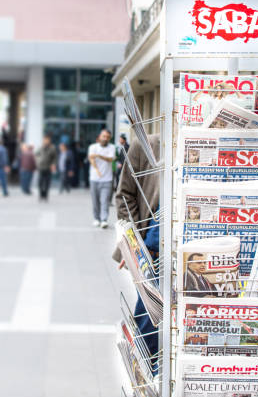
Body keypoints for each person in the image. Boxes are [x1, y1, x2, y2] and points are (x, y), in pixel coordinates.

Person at [112, 133, 160, 372]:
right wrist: (134, 245)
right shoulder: (146, 145)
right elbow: (124, 195)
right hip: (152, 252)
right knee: (151, 321)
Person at [88, 129, 116, 228]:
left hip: (107, 180)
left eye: (108, 137)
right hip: (94, 179)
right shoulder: (93, 147)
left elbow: (110, 159)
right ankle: (96, 218)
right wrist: (96, 169)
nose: (105, 138)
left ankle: (104, 219)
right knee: (95, 201)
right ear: (100, 136)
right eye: (104, 136)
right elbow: (91, 158)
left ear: (110, 138)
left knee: (105, 201)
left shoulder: (112, 147)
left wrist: (99, 155)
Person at [36, 135, 57, 202]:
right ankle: (41, 195)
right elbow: (36, 155)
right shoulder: (40, 147)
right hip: (41, 168)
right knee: (40, 183)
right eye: (45, 140)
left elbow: (55, 158)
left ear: (49, 140)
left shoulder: (52, 148)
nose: (46, 141)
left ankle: (46, 196)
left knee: (47, 183)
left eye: (47, 140)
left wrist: (53, 164)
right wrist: (38, 161)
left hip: (48, 167)